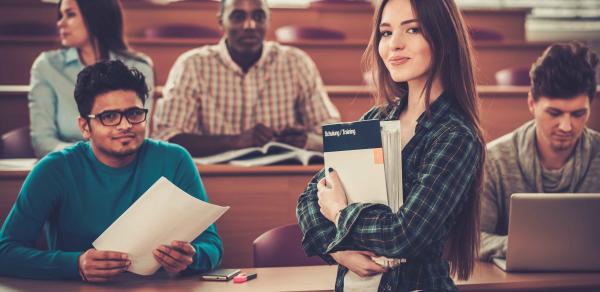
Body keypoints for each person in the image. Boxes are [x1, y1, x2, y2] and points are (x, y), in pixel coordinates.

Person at [297, 0, 486, 290]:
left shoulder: (456, 136)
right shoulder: (377, 117)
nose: (394, 45)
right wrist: (338, 250)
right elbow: (311, 197)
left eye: (412, 30)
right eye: (386, 33)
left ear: (444, 38)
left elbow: (405, 235)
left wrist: (339, 214)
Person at [0, 60, 222, 281]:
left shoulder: (175, 159)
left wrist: (191, 257)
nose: (125, 125)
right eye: (109, 117)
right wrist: (75, 264)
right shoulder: (54, 169)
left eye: (134, 113)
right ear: (85, 127)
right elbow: (5, 251)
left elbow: (212, 245)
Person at [152, 0, 340, 156]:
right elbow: (166, 137)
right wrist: (235, 141)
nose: (250, 25)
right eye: (238, 16)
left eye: (258, 16)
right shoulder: (191, 65)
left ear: (269, 20)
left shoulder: (297, 62)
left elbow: (334, 133)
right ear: (221, 21)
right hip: (214, 181)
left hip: (281, 179)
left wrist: (307, 140)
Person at [480, 42, 600, 261]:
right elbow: (474, 240)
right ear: (531, 103)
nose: (566, 126)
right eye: (554, 113)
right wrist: (535, 247)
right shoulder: (494, 160)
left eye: (578, 114)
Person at [29, 0, 154, 158]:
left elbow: (140, 133)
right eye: (60, 16)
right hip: (68, 166)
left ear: (96, 15)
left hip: (124, 163)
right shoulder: (47, 66)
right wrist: (90, 157)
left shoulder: (139, 67)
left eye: (70, 14)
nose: (60, 23)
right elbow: (43, 141)